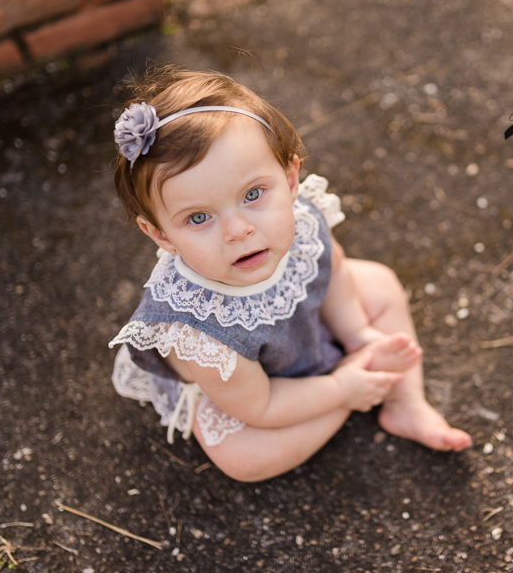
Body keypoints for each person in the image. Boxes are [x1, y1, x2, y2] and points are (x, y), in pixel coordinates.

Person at [109, 66, 471, 482]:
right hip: (246, 390)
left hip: (302, 328)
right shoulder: (199, 333)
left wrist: (358, 335)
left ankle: (406, 403)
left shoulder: (300, 220)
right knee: (244, 458)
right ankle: (357, 389)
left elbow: (332, 272)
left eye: (252, 195)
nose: (238, 230)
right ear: (159, 233)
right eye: (198, 217)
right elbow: (260, 406)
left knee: (379, 283)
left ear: (289, 178)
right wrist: (343, 391)